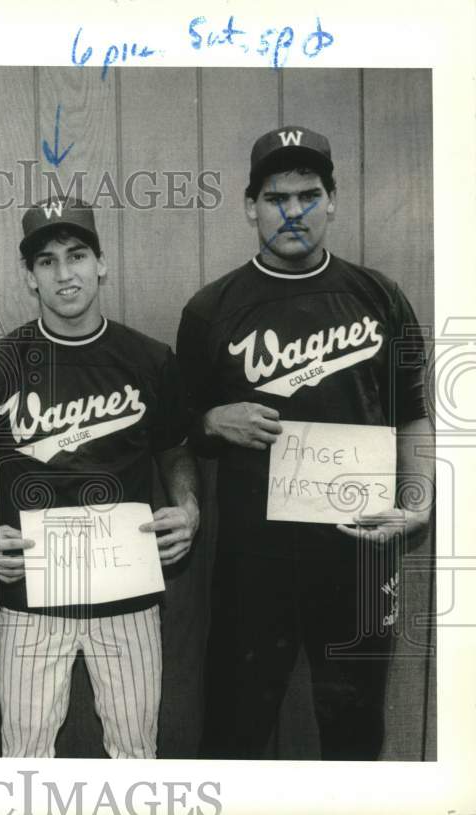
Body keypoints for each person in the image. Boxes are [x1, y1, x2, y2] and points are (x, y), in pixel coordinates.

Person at [176, 126, 433, 759]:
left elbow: (413, 416)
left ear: (333, 200)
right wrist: (214, 420)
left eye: (309, 194)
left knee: (355, 730)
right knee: (234, 732)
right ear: (250, 206)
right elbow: (179, 429)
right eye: (276, 196)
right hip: (254, 561)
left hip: (360, 553)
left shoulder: (379, 298)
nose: (294, 210)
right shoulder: (212, 309)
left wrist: (420, 503)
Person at [0, 196, 200, 758]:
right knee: (24, 752)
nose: (64, 273)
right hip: (31, 593)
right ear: (29, 276)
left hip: (127, 590)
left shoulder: (149, 359)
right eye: (47, 261)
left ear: (101, 263)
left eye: (76, 255)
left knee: (134, 749)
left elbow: (176, 451)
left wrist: (189, 508)